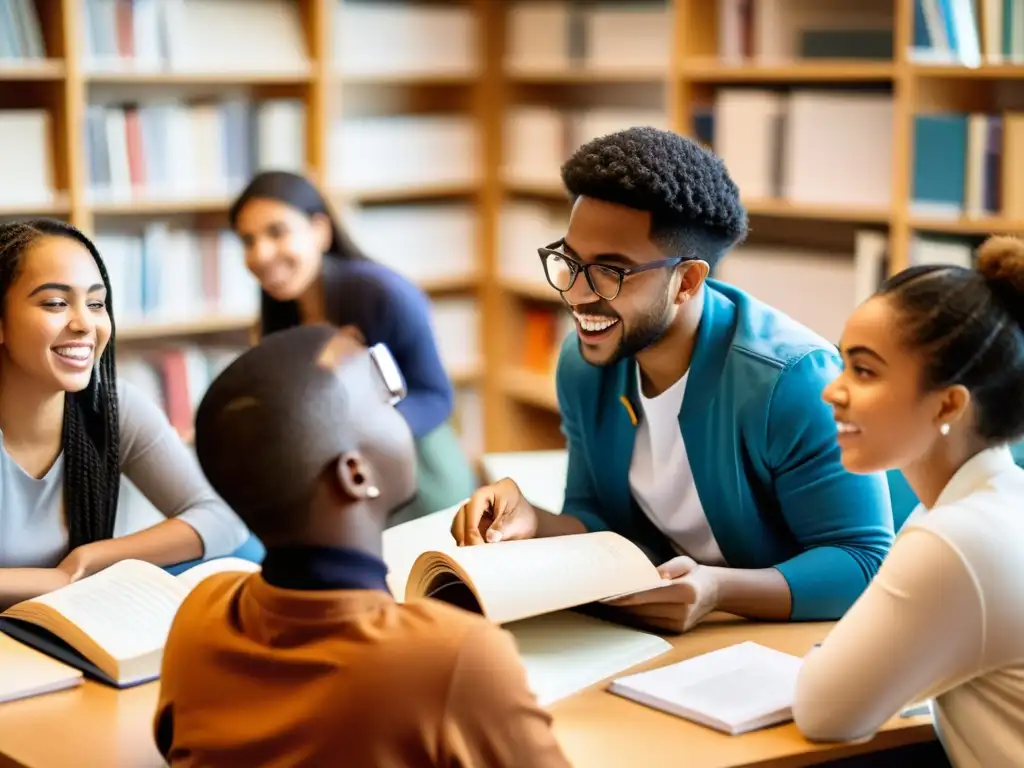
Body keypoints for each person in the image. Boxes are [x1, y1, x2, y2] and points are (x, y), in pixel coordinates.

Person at [452, 127, 894, 633]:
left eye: (611, 272)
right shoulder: (586, 364)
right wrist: (533, 521)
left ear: (686, 282)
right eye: (570, 261)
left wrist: (719, 588)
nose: (576, 295)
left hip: (802, 638)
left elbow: (864, 562)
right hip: (681, 637)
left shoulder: (793, 382)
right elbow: (599, 517)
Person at [154, 324, 570, 768]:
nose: (401, 407)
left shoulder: (199, 617)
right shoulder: (455, 660)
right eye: (384, 399)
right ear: (356, 475)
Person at [793, 236, 1024, 768]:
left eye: (864, 370)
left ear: (949, 403)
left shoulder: (955, 538)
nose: (833, 391)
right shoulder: (993, 503)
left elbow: (822, 711)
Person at [0, 219, 249, 608]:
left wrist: (88, 561)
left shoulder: (112, 407)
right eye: (55, 303)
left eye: (96, 303)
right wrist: (51, 582)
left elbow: (221, 519)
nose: (85, 324)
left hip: (63, 636)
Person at [228, 171, 477, 524]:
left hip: (420, 474)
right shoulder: (280, 306)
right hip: (347, 479)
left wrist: (351, 429)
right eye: (247, 240)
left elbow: (436, 397)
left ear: (320, 230)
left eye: (276, 232)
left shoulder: (382, 293)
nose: (260, 254)